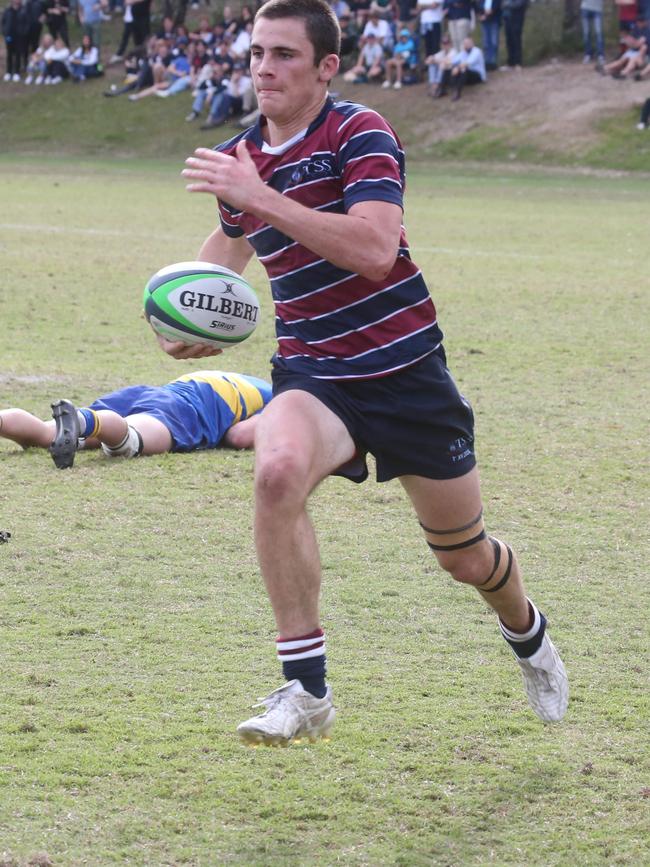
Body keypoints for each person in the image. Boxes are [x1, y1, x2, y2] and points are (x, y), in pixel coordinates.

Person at [167, 0, 569, 747]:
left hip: (407, 371)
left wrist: (260, 196)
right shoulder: (240, 160)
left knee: (464, 556)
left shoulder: (359, 132)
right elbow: (222, 260)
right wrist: (186, 318)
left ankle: (530, 636)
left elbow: (376, 249)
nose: (263, 68)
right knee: (276, 469)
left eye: (284, 54)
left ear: (326, 67)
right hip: (315, 374)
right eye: (257, 52)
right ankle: (306, 688)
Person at [0, 371, 272, 469]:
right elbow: (240, 436)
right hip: (185, 411)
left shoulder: (249, 383)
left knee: (46, 434)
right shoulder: (281, 400)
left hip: (153, 392)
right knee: (126, 441)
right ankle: (84, 421)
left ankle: (5, 421)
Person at [435, 33, 485, 99]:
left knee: (463, 68)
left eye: (468, 43)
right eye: (465, 43)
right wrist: (443, 63)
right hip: (466, 76)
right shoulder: (463, 52)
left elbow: (467, 63)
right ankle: (442, 89)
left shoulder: (476, 51)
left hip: (477, 76)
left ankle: (457, 92)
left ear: (472, 43)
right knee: (448, 70)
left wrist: (457, 68)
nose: (466, 45)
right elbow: (452, 61)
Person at [2, 0, 29, 82]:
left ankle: (16, 72)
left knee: (18, 54)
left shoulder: (23, 10)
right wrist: (4, 32)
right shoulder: (7, 10)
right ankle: (8, 72)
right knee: (9, 53)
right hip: (9, 36)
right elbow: (3, 22)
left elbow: (27, 23)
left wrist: (24, 32)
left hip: (19, 36)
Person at [500, 0, 527, 70]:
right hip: (507, 18)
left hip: (516, 20)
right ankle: (511, 63)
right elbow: (502, 4)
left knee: (516, 41)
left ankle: (518, 63)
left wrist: (507, 4)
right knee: (509, 41)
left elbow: (519, 4)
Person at [477, 0, 501, 71]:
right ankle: (487, 63)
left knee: (494, 43)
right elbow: (479, 7)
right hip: (484, 23)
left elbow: (496, 7)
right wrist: (482, 16)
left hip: (494, 21)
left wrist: (489, 12)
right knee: (486, 43)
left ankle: (493, 63)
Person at [580, 0, 605, 67]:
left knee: (599, 33)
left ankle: (600, 55)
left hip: (597, 9)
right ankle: (588, 54)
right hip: (585, 8)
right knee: (586, 33)